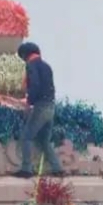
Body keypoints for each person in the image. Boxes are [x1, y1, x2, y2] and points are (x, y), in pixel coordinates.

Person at [14, 41, 65, 179]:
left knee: (26, 137)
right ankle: (57, 168)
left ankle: (26, 169)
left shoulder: (31, 65)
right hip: (51, 106)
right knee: (44, 140)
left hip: (40, 106)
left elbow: (35, 84)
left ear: (25, 55)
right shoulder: (47, 66)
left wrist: (29, 102)